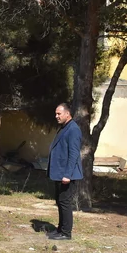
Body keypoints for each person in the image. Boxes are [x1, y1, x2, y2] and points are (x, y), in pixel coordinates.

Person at [47, 103, 83, 240]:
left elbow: (74, 154)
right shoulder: (64, 128)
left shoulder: (73, 129)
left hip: (67, 174)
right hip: (59, 173)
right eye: (55, 114)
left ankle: (66, 233)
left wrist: (67, 175)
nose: (56, 116)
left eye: (59, 114)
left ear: (67, 114)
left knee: (65, 202)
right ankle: (60, 229)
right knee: (60, 201)